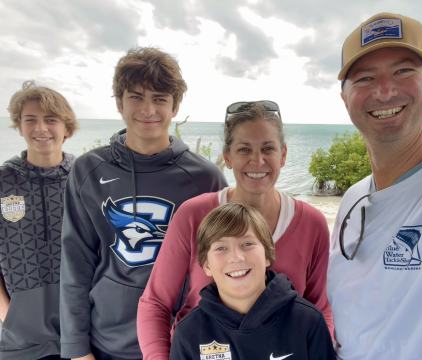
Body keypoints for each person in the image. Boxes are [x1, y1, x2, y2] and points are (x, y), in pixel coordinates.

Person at [327, 12, 422, 360]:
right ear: (345, 99)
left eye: (403, 71)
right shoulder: (353, 199)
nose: (384, 90)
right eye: (365, 77)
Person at [59, 47, 228, 360]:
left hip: (183, 337)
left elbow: (221, 263)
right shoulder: (88, 170)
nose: (148, 109)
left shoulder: (206, 178)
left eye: (160, 98)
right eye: (136, 97)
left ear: (175, 107)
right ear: (119, 104)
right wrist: (75, 349)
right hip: (109, 340)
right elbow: (75, 263)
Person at [138, 101, 333, 360]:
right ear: (227, 157)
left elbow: (321, 308)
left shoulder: (312, 223)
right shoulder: (193, 216)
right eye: (244, 149)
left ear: (283, 155)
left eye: (268, 148)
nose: (257, 160)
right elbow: (155, 304)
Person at [169, 203, 336, 360]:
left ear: (267, 255)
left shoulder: (308, 321)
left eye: (247, 244)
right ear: (206, 266)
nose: (236, 257)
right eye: (221, 248)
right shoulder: (188, 332)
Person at [0, 81, 78, 360]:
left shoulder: (84, 179)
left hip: (80, 329)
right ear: (19, 127)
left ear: (67, 128)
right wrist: (8, 314)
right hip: (21, 337)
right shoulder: (3, 181)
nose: (40, 128)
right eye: (30, 120)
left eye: (51, 120)